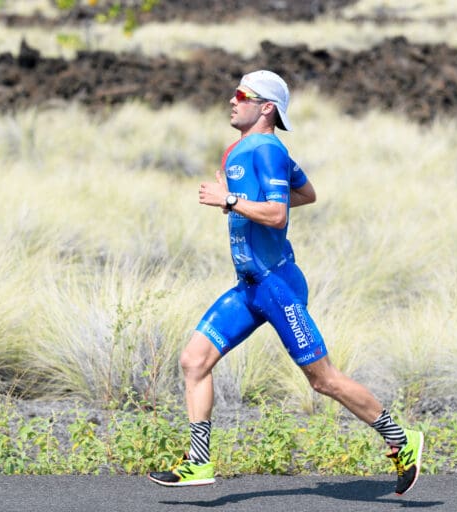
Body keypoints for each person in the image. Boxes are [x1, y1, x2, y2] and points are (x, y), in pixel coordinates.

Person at [146, 70, 423, 495]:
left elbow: (279, 214)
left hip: (277, 285)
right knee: (193, 361)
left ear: (266, 107)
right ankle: (198, 462)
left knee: (323, 379)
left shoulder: (270, 150)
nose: (233, 100)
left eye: (244, 95)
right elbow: (306, 193)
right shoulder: (235, 152)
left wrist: (233, 201)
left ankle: (402, 440)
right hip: (250, 286)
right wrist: (242, 203)